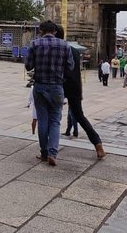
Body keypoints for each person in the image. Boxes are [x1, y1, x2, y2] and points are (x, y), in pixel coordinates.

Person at [25, 20, 74, 166]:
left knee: (42, 120)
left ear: (41, 31)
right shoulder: (65, 45)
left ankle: (44, 152)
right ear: (54, 31)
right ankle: (53, 152)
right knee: (55, 121)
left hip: (40, 87)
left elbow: (28, 66)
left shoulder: (35, 44)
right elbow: (70, 66)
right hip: (57, 87)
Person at [56, 25, 105, 159]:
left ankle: (48, 150)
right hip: (74, 86)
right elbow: (77, 73)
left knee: (52, 117)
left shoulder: (55, 49)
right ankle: (98, 144)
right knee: (80, 116)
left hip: (58, 85)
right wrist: (80, 91)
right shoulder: (74, 51)